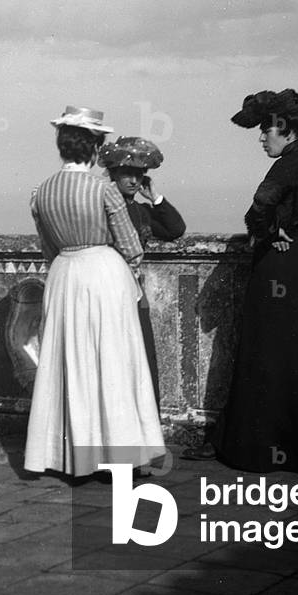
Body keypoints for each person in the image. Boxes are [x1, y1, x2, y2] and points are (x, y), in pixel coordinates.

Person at [182, 89, 298, 474]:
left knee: (266, 353)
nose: (262, 138)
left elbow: (258, 209)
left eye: (266, 131)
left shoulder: (286, 168)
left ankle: (258, 447)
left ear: (287, 132)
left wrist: (269, 228)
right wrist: (286, 226)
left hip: (277, 266)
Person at [24, 106, 166, 478]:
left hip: (64, 275)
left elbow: (47, 248)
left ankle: (70, 456)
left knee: (70, 364)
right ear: (93, 148)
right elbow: (131, 246)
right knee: (114, 363)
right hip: (104, 275)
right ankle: (122, 456)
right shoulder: (103, 189)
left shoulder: (41, 192)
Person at [97, 136, 186, 408]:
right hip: (107, 293)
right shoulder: (99, 207)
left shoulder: (142, 212)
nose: (134, 181)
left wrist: (155, 197)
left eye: (139, 175)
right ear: (113, 175)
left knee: (142, 359)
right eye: (127, 174)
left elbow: (174, 230)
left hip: (135, 294)